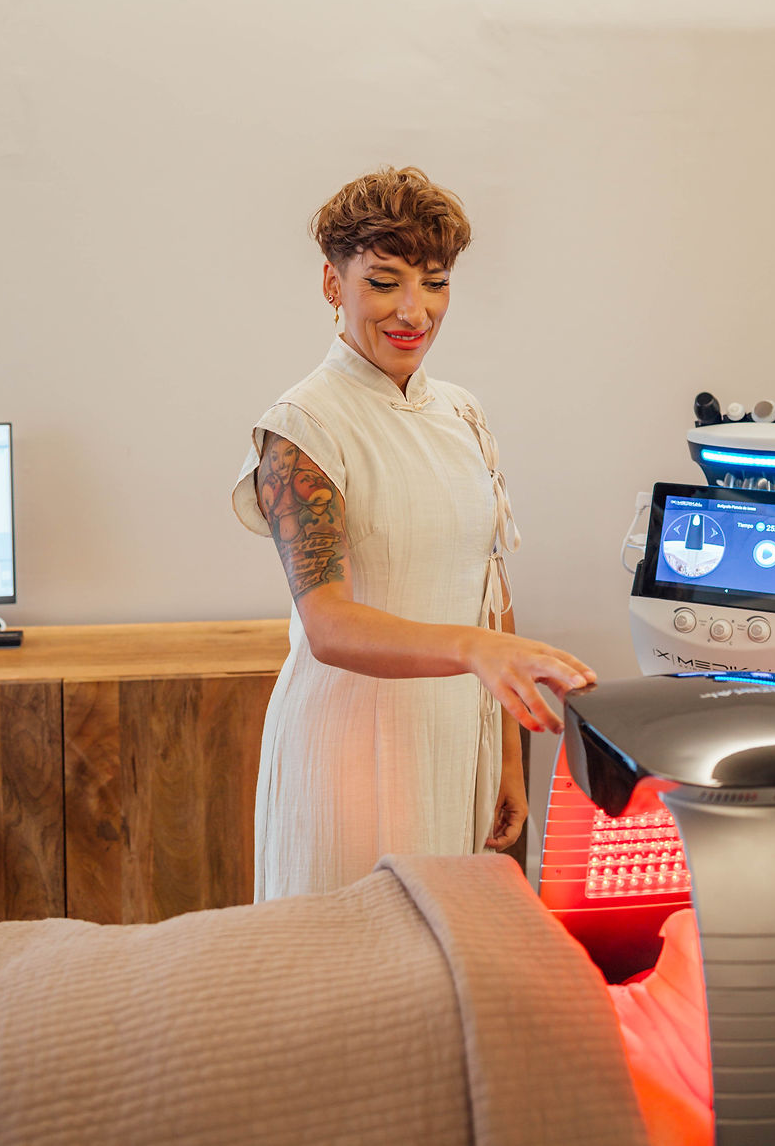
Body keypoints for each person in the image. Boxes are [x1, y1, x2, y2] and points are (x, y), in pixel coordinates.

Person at [233, 167, 595, 900]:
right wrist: (474, 649)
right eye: (384, 281)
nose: (413, 311)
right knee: (350, 979)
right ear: (334, 286)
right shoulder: (302, 427)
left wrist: (503, 760)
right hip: (343, 753)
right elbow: (328, 625)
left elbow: (488, 586)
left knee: (440, 972)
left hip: (452, 742)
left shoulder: (460, 414)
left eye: (434, 283)